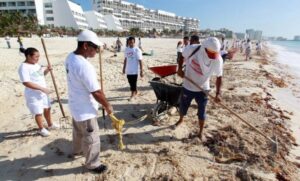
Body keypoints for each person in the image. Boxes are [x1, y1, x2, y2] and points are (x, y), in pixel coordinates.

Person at [64, 29, 113, 174]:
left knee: (78, 132)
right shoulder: (84, 65)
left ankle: (77, 150)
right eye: (95, 48)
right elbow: (96, 92)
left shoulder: (70, 57)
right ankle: (92, 163)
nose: (97, 51)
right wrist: (107, 105)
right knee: (92, 138)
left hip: (75, 105)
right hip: (85, 110)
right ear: (86, 45)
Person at [176, 36, 223, 140]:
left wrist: (218, 94)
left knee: (202, 112)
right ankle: (181, 119)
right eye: (210, 53)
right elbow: (181, 57)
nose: (212, 56)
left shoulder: (218, 59)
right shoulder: (192, 49)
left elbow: (219, 77)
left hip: (204, 89)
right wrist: (179, 69)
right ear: (204, 47)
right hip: (188, 86)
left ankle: (201, 131)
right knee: (183, 106)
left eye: (214, 54)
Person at [18, 47, 59, 137]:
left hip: (43, 92)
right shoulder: (23, 67)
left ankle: (50, 124)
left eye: (38, 56)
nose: (38, 59)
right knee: (38, 112)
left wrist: (47, 70)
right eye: (36, 57)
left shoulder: (36, 65)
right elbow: (26, 82)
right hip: (33, 94)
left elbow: (40, 75)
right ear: (28, 56)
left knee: (47, 108)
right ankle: (41, 129)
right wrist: (42, 89)